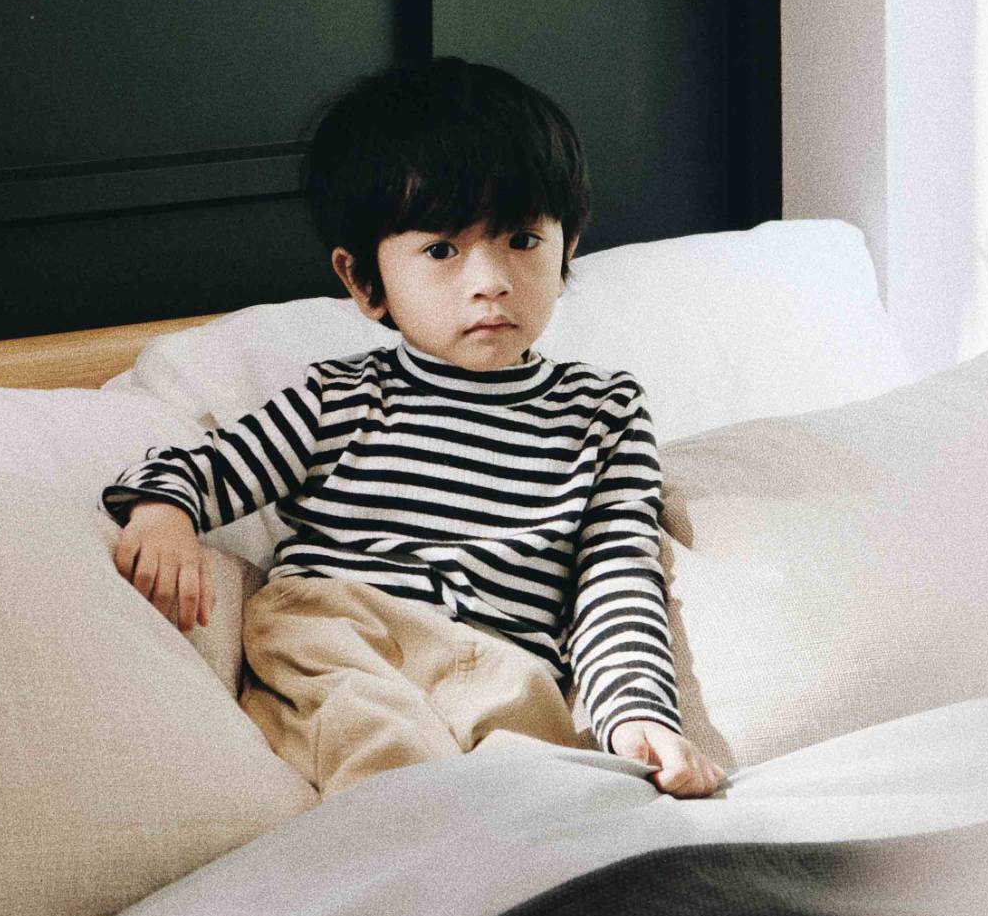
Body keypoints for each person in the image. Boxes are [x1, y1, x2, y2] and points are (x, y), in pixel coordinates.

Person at [102, 58, 725, 801]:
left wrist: (638, 717)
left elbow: (617, 578)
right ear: (364, 282)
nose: (490, 281)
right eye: (441, 251)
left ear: (568, 249)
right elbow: (200, 467)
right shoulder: (340, 398)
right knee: (383, 745)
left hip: (503, 665)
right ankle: (411, 841)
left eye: (522, 240)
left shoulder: (604, 412)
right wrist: (164, 513)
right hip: (346, 633)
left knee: (555, 792)